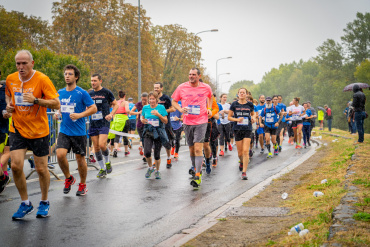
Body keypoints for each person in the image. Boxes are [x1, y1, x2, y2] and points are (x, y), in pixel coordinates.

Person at [5, 50, 60, 220]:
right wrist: (8, 107)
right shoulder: (10, 79)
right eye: (18, 64)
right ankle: (25, 203)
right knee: (15, 166)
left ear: (32, 63)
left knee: (41, 169)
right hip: (18, 128)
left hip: (38, 131)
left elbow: (56, 103)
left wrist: (36, 100)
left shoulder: (42, 79)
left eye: (24, 63)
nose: (20, 67)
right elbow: (9, 95)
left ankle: (44, 201)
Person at [56, 64, 97, 196]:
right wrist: (58, 113)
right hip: (64, 130)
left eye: (70, 74)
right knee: (60, 155)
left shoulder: (82, 93)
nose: (67, 76)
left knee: (80, 159)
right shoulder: (60, 92)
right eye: (66, 74)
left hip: (78, 132)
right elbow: (59, 107)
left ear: (76, 77)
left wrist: (80, 115)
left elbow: (93, 108)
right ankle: (68, 178)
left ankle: (83, 185)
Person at [171, 68, 212, 188]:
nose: (191, 76)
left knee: (198, 149)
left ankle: (198, 175)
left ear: (199, 76)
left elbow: (210, 97)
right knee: (192, 150)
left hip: (201, 121)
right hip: (187, 122)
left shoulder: (206, 87)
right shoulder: (181, 87)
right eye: (189, 74)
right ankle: (195, 167)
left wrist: (208, 109)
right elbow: (174, 101)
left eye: (194, 74)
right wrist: (180, 109)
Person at [88, 73, 118, 178]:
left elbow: (116, 104)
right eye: (91, 81)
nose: (93, 83)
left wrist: (111, 114)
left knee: (101, 145)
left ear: (100, 81)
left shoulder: (106, 92)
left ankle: (108, 161)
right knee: (96, 147)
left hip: (104, 122)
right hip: (93, 123)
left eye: (95, 80)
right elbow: (87, 107)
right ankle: (101, 168)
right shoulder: (90, 94)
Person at [228, 88, 255, 180]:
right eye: (240, 93)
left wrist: (253, 118)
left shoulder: (250, 104)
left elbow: (253, 114)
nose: (242, 94)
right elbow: (229, 117)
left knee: (245, 151)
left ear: (246, 94)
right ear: (238, 94)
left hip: (247, 129)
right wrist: (237, 120)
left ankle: (244, 172)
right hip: (237, 129)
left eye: (244, 93)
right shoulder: (234, 104)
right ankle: (241, 161)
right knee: (240, 153)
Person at [141, 91, 169, 179]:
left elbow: (165, 121)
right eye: (150, 99)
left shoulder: (161, 107)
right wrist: (143, 120)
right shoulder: (145, 108)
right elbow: (142, 118)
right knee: (147, 152)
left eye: (153, 99)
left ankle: (157, 171)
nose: (151, 101)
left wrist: (158, 115)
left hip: (158, 131)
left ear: (157, 100)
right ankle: (150, 168)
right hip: (148, 131)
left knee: (157, 154)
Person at [154, 82, 175, 168]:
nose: (156, 89)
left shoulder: (165, 98)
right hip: (155, 124)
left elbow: (172, 109)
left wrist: (162, 112)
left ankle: (168, 158)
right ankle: (156, 160)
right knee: (156, 144)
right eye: (155, 88)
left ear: (161, 88)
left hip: (165, 124)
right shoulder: (152, 98)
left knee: (166, 143)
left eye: (157, 88)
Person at [130, 92, 148, 162]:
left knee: (147, 140)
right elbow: (131, 112)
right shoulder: (138, 104)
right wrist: (138, 113)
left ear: (148, 99)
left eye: (145, 100)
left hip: (148, 125)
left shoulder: (150, 104)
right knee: (143, 140)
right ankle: (145, 154)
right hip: (140, 125)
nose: (143, 101)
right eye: (142, 99)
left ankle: (146, 154)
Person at [0, 78, 11, 195]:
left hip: (7, 128)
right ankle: (3, 176)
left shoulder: (6, 93)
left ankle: (4, 176)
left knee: (6, 151)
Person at [112, 91, 130, 157]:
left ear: (119, 96)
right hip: (124, 118)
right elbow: (127, 110)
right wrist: (130, 112)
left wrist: (114, 119)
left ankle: (116, 149)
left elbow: (113, 112)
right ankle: (126, 151)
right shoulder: (125, 102)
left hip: (117, 119)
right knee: (125, 135)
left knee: (117, 135)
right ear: (124, 96)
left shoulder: (116, 102)